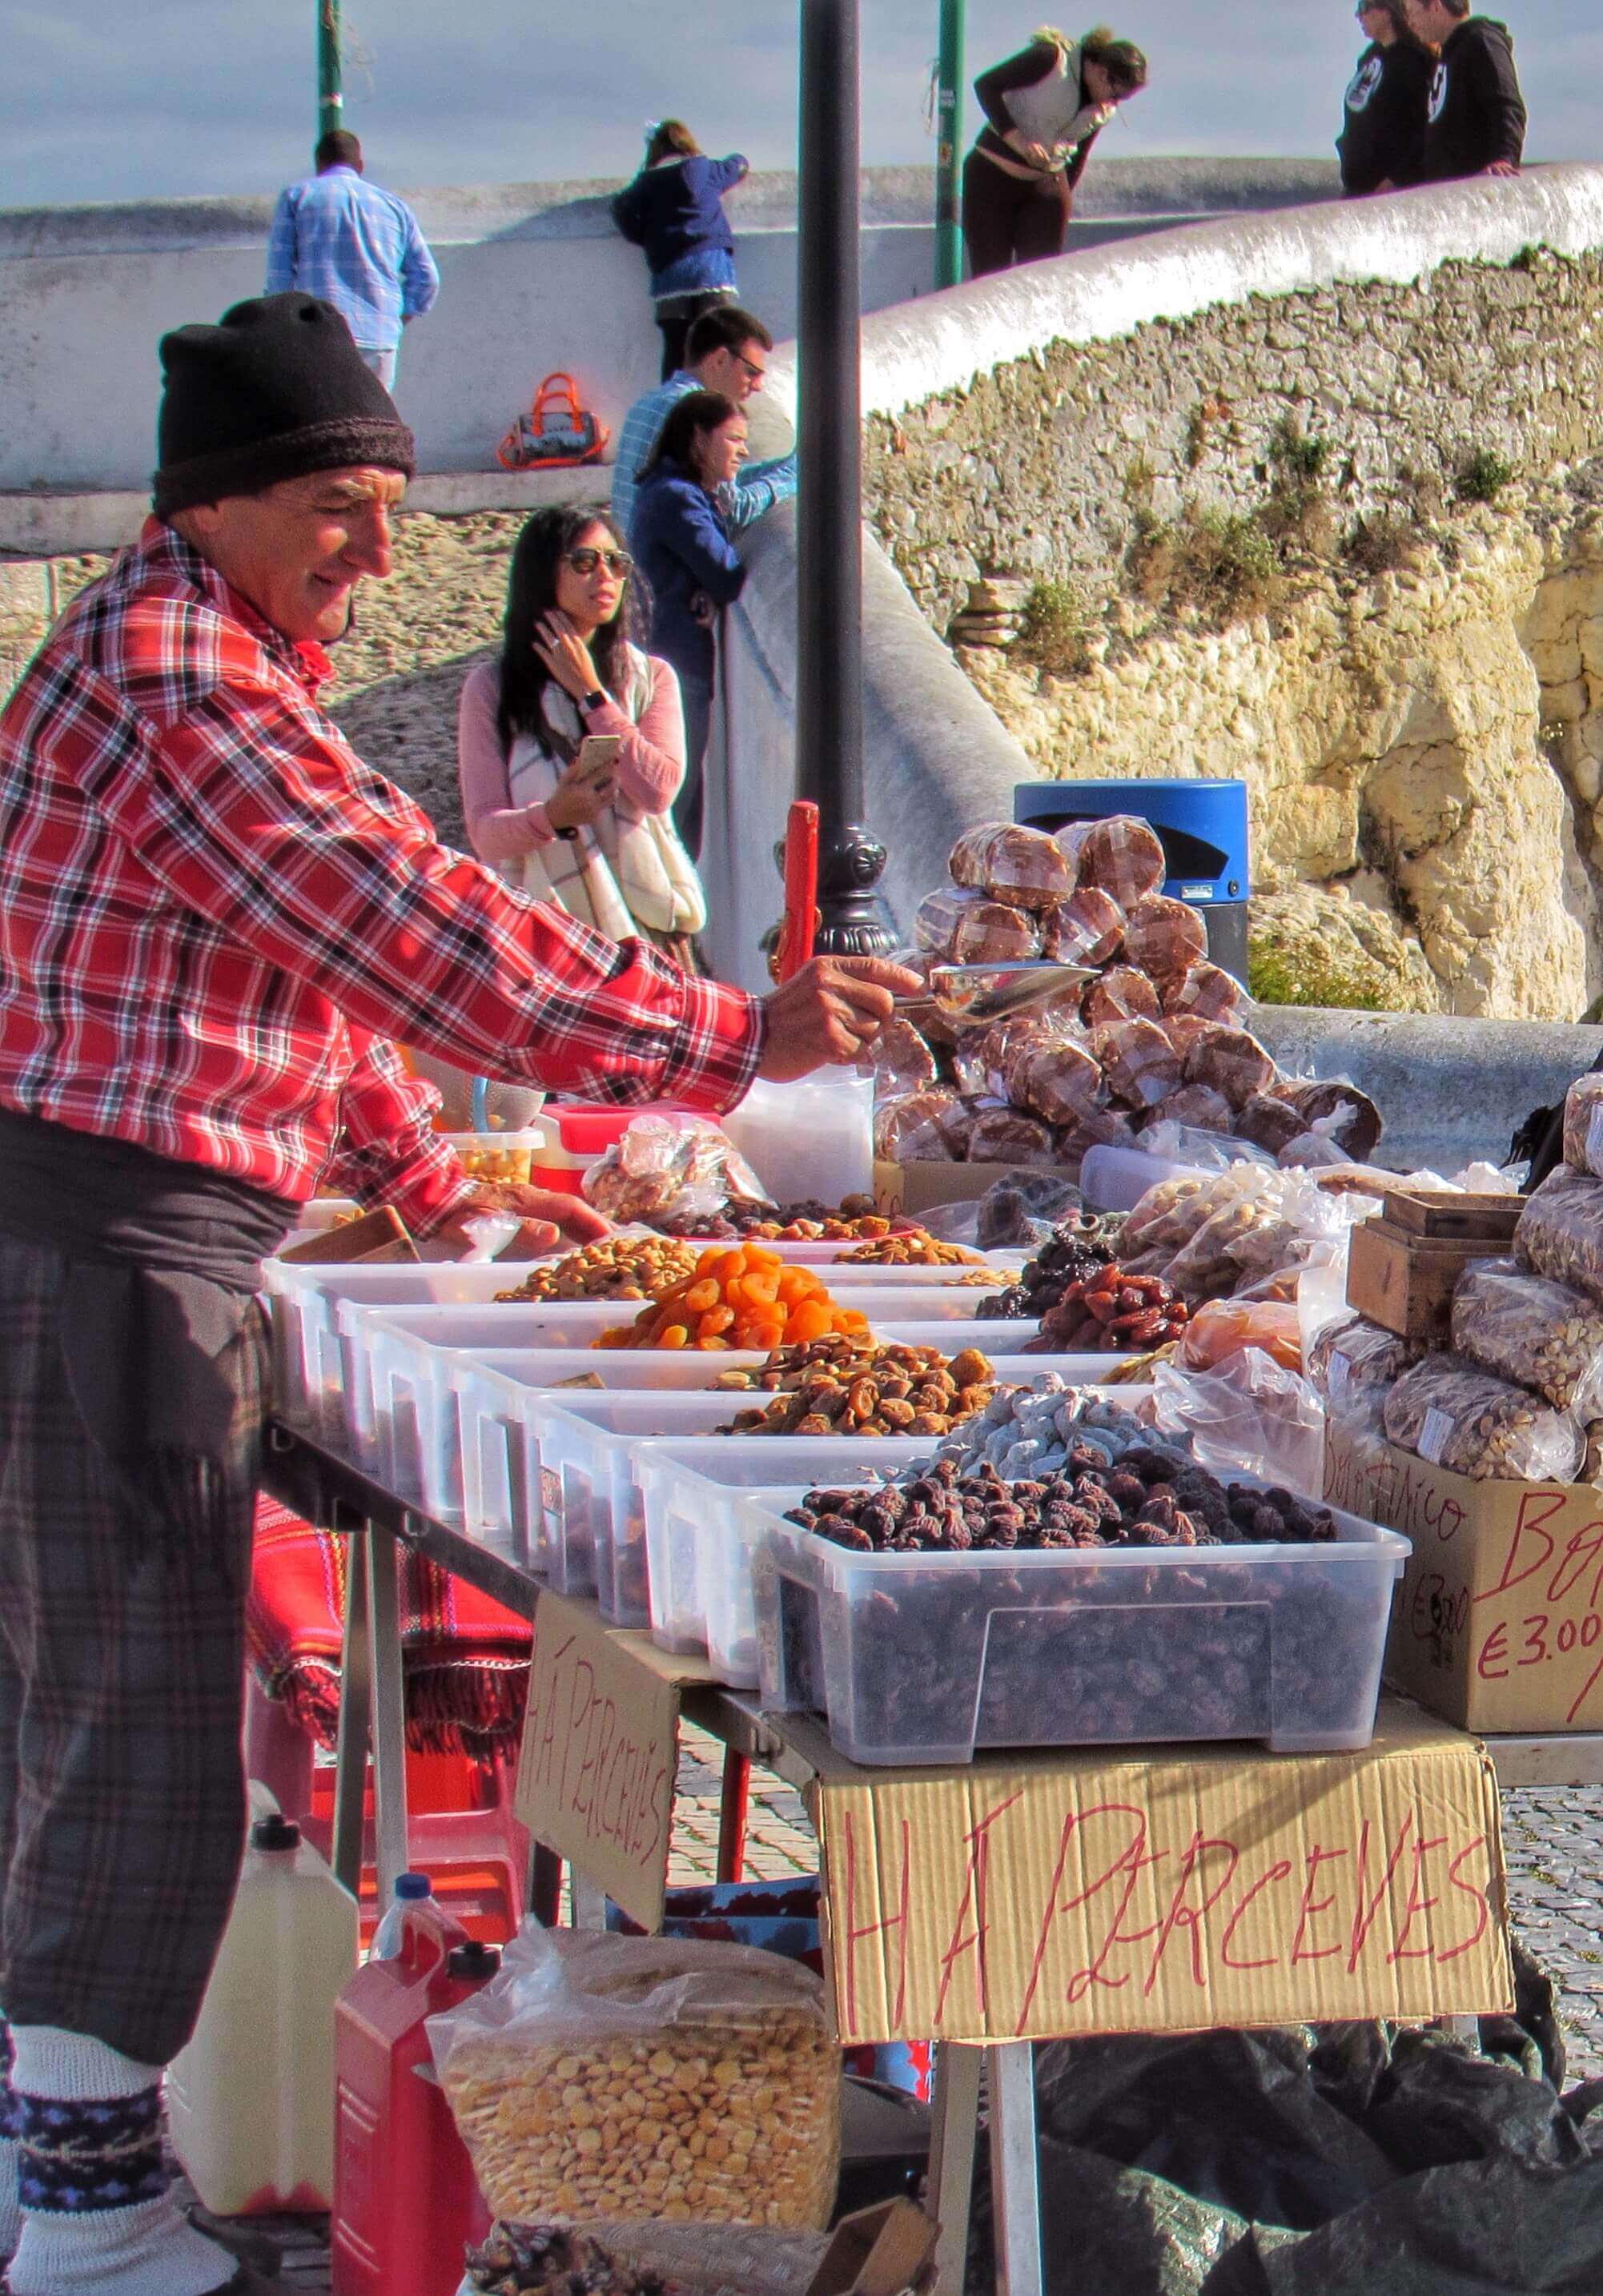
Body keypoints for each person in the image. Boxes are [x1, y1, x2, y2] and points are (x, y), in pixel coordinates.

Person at [0, 292, 914, 2296]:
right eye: (338, 503)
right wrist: (734, 1034)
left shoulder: (221, 654)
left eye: (392, 504)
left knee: (98, 1689)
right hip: (111, 1246)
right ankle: (82, 2215)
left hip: (132, 1231)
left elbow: (281, 979)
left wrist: (423, 1178)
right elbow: (413, 932)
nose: (376, 548)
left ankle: (79, 2176)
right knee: (128, 1710)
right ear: (218, 500)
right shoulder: (180, 676)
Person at [457, 507, 705, 966]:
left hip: (647, 936)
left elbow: (658, 791)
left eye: (617, 563)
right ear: (542, 571)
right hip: (545, 943)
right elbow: (485, 833)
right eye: (585, 562)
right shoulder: (493, 689)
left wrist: (591, 694)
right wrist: (552, 817)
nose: (606, 576)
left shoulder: (650, 677)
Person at [629, 391, 749, 862]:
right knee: (676, 800)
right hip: (678, 666)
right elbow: (727, 575)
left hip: (671, 655)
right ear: (699, 438)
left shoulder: (666, 489)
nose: (742, 451)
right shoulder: (678, 497)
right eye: (733, 439)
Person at [962, 24, 1149, 279]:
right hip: (992, 179)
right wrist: (1016, 140)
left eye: (1122, 100)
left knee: (1042, 280)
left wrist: (1063, 191)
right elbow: (986, 85)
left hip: (1046, 187)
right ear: (1102, 72)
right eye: (1116, 94)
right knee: (991, 279)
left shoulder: (1102, 110)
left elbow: (1079, 153)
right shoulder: (1051, 59)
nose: (1112, 103)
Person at [610, 303, 797, 548]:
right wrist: (794, 478)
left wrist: (783, 467)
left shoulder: (645, 403)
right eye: (751, 372)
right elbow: (734, 511)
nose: (759, 386)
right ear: (719, 360)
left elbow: (724, 483)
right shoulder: (698, 415)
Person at [265, 129, 439, 387]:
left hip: (318, 334)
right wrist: (398, 317)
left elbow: (280, 276)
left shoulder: (297, 197)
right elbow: (427, 279)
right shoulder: (394, 206)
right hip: (379, 336)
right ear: (360, 165)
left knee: (323, 422)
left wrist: (281, 330)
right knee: (376, 424)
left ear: (319, 164)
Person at [613, 120, 749, 381]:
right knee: (718, 346)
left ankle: (674, 412)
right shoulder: (705, 170)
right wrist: (738, 158)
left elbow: (621, 209)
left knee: (676, 351)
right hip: (712, 273)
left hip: (670, 277)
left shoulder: (646, 183)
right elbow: (739, 166)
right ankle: (716, 409)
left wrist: (647, 238)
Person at [1404, 0, 1527, 180]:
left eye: (1413, 13)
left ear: (1436, 6)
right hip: (1443, 188)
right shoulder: (1444, 57)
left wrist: (1505, 157)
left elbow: (1506, 103)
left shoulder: (1481, 40)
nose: (1411, 23)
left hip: (1476, 186)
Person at [1339, 1, 1436, 194]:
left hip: (1392, 191)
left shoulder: (1413, 61)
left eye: (1365, 8)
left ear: (1387, 12)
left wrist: (1400, 177)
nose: (1359, 16)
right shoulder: (1370, 57)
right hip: (1358, 186)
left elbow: (1426, 126)